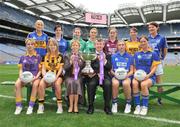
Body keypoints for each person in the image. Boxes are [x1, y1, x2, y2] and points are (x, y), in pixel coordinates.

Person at [133, 35, 160, 115]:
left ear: (147, 42)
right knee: (134, 83)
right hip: (138, 76)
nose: (143, 43)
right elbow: (134, 66)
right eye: (141, 42)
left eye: (144, 41)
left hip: (150, 76)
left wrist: (148, 76)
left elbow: (155, 67)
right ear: (140, 43)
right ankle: (137, 106)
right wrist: (135, 74)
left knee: (144, 84)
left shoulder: (153, 53)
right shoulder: (137, 53)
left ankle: (145, 107)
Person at [14, 38, 41, 115]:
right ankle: (18, 106)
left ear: (34, 46)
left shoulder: (38, 57)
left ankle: (31, 106)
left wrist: (35, 78)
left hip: (35, 77)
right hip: (24, 77)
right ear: (26, 45)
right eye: (28, 44)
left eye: (32, 44)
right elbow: (20, 69)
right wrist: (21, 76)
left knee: (35, 85)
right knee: (17, 84)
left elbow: (40, 70)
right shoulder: (22, 57)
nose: (30, 46)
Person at [37, 38, 64, 114]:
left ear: (56, 46)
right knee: (41, 84)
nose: (52, 46)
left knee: (57, 84)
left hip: (57, 75)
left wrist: (55, 77)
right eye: (51, 45)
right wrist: (45, 76)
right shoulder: (45, 56)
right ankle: (41, 105)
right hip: (47, 75)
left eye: (54, 45)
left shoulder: (60, 55)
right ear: (48, 46)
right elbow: (43, 68)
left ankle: (59, 105)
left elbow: (61, 69)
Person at [86, 38, 112, 115]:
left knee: (108, 84)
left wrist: (104, 61)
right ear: (95, 45)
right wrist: (96, 72)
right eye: (97, 44)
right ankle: (90, 106)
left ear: (103, 45)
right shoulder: (91, 54)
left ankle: (107, 106)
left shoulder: (108, 55)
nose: (99, 45)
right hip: (94, 75)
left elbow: (109, 67)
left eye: (101, 44)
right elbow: (89, 66)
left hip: (105, 75)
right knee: (91, 84)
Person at [148, 22, 168, 105]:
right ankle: (146, 98)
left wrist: (162, 58)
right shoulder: (147, 38)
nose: (151, 29)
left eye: (152, 27)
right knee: (146, 79)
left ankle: (159, 99)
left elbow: (165, 49)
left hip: (157, 62)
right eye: (149, 27)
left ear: (157, 28)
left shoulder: (162, 37)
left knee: (159, 81)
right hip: (148, 62)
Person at [111, 40, 134, 114]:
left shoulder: (130, 56)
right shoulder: (113, 56)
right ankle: (114, 103)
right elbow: (110, 70)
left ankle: (128, 103)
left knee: (126, 84)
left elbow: (132, 71)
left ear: (125, 46)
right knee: (115, 83)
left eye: (123, 45)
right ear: (117, 46)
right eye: (119, 45)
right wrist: (115, 75)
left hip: (126, 76)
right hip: (116, 76)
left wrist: (126, 76)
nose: (121, 46)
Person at [64, 40, 85, 113]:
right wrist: (70, 61)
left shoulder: (82, 56)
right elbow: (65, 68)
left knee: (76, 83)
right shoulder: (67, 55)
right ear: (71, 46)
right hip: (69, 76)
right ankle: (71, 105)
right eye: (73, 45)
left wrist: (78, 61)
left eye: (76, 45)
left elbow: (83, 66)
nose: (75, 47)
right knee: (70, 82)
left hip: (78, 76)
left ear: (79, 47)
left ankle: (75, 105)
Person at [81, 28, 98, 105]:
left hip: (95, 66)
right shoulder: (86, 43)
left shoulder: (98, 43)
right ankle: (82, 99)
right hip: (87, 65)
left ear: (96, 34)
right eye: (92, 32)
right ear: (89, 33)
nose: (93, 34)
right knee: (83, 81)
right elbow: (82, 55)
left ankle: (92, 96)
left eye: (95, 33)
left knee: (92, 82)